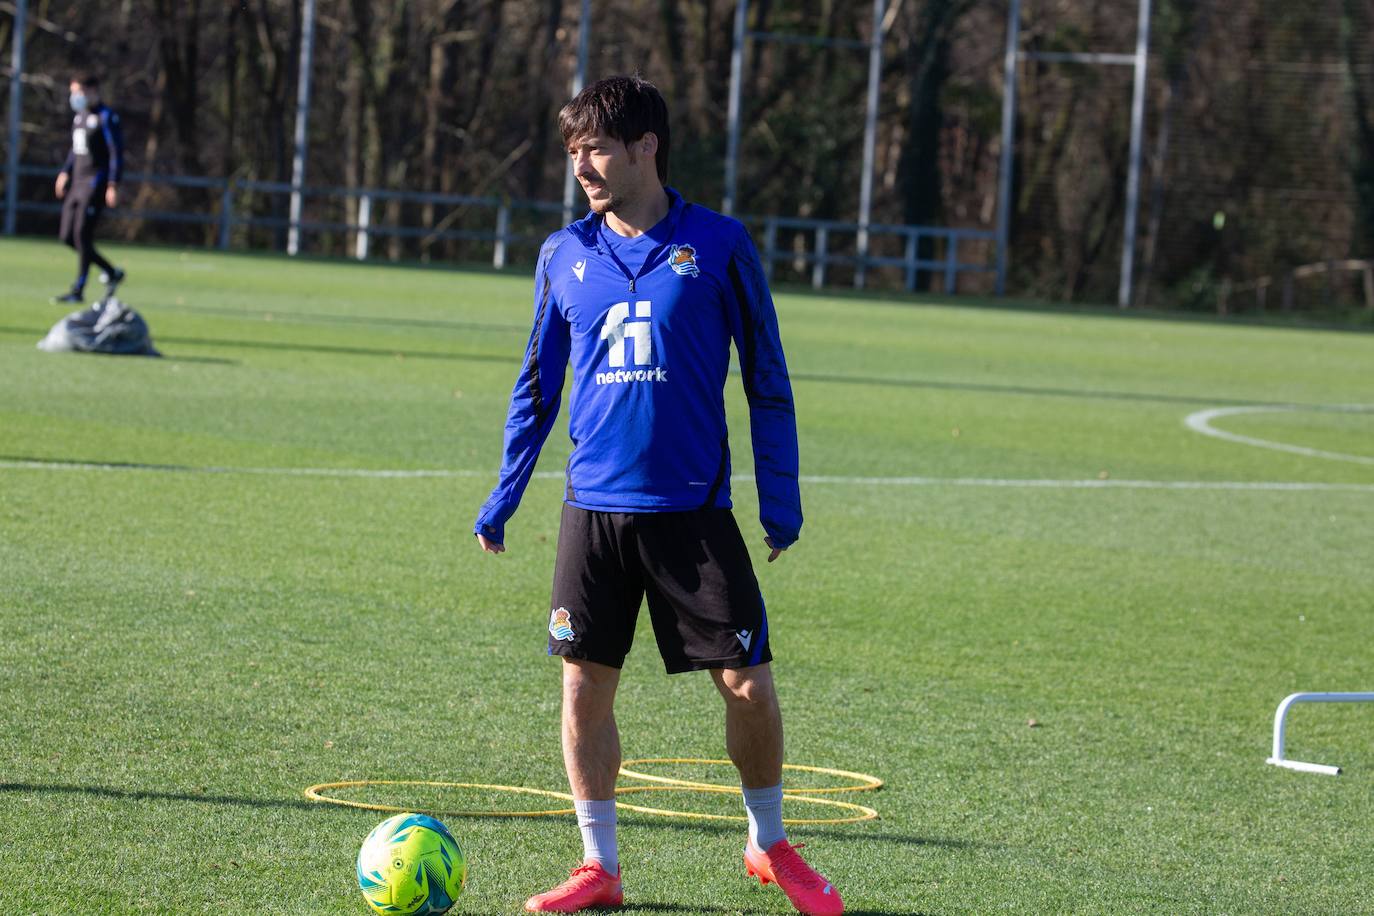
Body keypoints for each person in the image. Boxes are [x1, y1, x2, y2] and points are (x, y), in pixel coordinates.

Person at [474, 75, 842, 916]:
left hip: (694, 514)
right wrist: (503, 497)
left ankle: (769, 843)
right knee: (582, 687)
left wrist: (779, 501)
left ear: (647, 147)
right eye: (573, 154)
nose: (583, 168)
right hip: (593, 512)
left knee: (747, 682)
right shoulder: (562, 254)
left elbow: (767, 376)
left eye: (597, 148)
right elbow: (536, 386)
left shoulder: (718, 244)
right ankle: (598, 867)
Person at [53, 75, 125, 304]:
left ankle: (78, 290)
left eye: (79, 91)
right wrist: (65, 172)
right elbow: (75, 150)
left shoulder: (106, 118)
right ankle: (111, 272)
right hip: (77, 183)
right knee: (67, 237)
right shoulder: (80, 117)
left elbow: (116, 153)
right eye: (73, 92)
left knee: (82, 236)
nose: (75, 97)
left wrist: (112, 184)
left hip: (96, 183)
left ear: (93, 90)